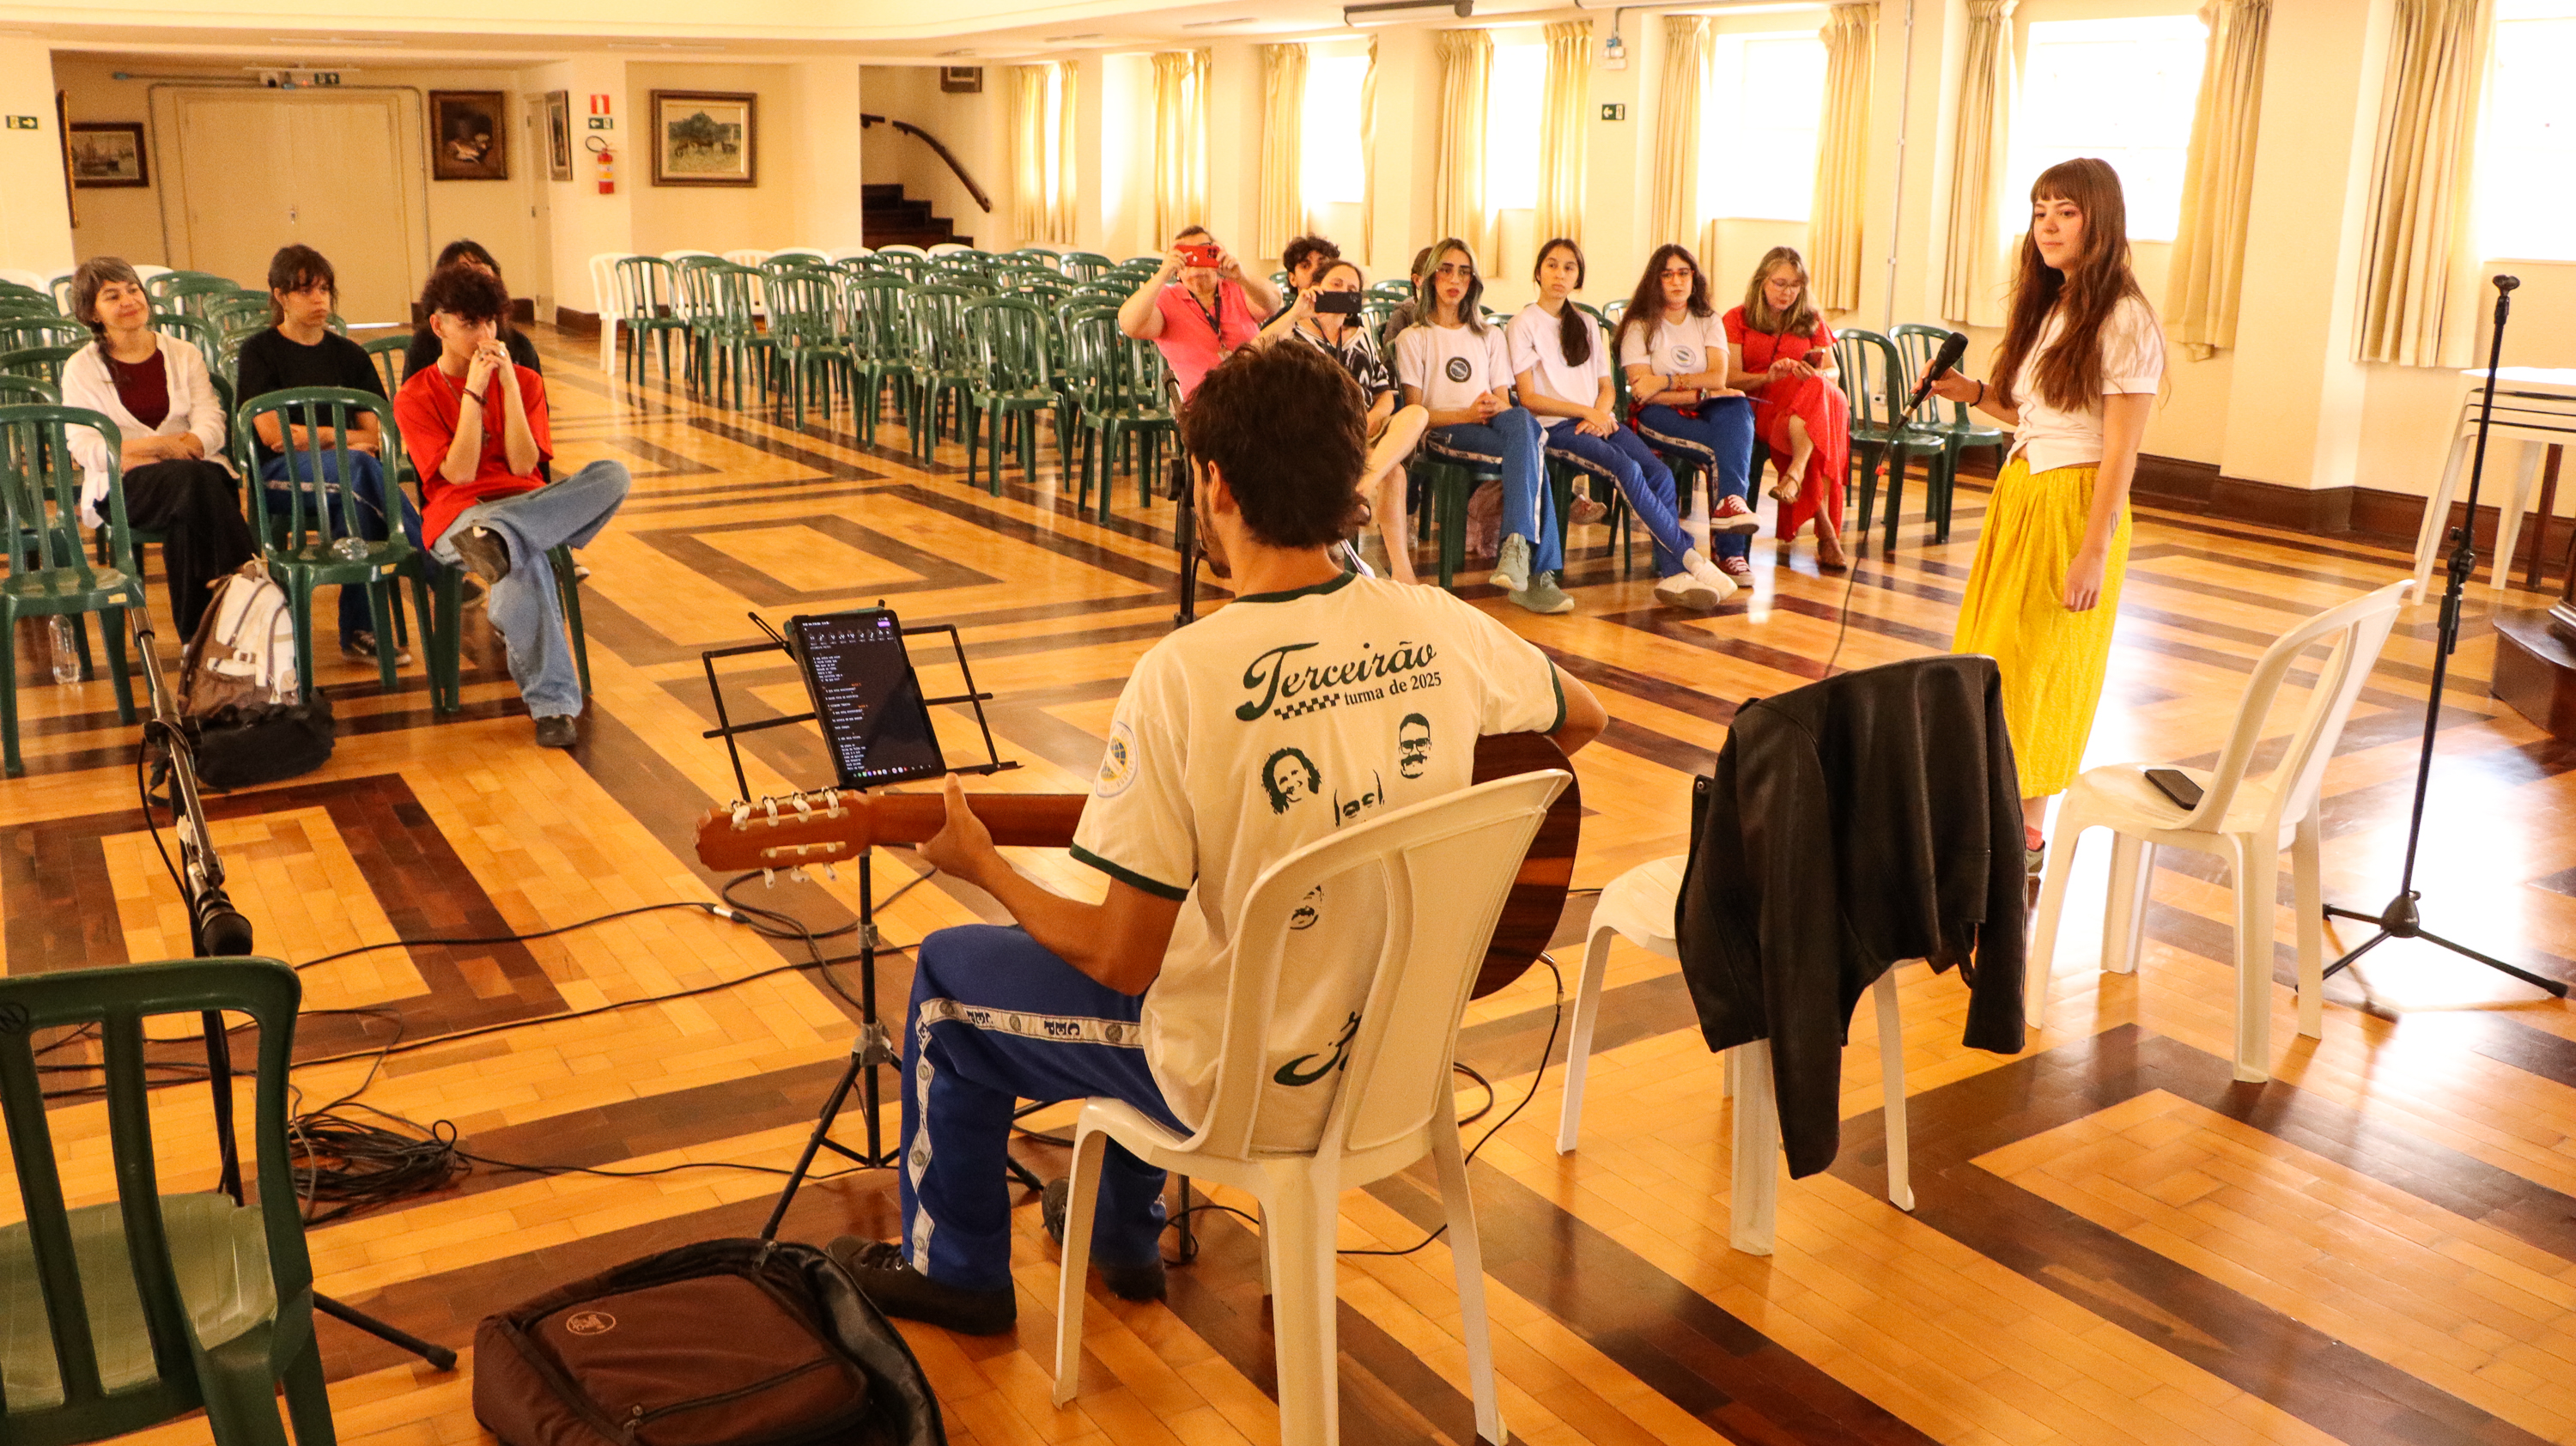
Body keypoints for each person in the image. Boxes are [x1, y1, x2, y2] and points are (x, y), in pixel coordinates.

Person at [826, 338, 1606, 1336]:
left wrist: (985, 869)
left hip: (1251, 1083)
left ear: (1216, 484)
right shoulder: (1440, 623)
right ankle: (1118, 1235)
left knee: (947, 983)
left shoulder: (1183, 678)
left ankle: (959, 1274)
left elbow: (1120, 956)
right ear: (1347, 480)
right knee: (1205, 929)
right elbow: (1581, 720)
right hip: (1396, 1058)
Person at [1926, 157, 2163, 879]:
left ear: (2101, 219)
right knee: (1993, 657)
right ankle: (1992, 811)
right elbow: (2036, 413)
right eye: (2040, 212)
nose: (2049, 226)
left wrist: (2093, 550)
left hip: (2073, 505)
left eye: (2066, 211)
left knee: (2041, 666)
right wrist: (1971, 391)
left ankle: (2026, 835)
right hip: (2022, 493)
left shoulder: (2124, 317)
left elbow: (2120, 450)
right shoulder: (2055, 304)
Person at [392, 264, 630, 750]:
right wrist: (475, 394)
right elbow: (457, 474)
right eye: (468, 324)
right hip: (460, 519)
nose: (483, 336)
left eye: (489, 323)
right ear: (438, 326)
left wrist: (510, 389)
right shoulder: (414, 396)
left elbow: (525, 465)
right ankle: (553, 707)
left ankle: (506, 539)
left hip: (521, 503)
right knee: (525, 566)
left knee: (613, 474)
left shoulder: (524, 380)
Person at [1507, 238, 1735, 611]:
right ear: (1538, 272)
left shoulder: (1585, 323)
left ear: (1579, 277)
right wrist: (1586, 413)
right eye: (1552, 265)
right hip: (1556, 427)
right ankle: (1692, 560)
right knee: (1625, 468)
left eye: (1569, 267)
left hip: (1598, 420)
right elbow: (1529, 398)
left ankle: (1674, 574)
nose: (1560, 274)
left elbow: (1607, 387)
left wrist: (1598, 413)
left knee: (1659, 473)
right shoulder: (1522, 324)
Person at [60, 257, 256, 640]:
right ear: (91, 312)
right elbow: (85, 448)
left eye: (133, 289)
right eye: (112, 296)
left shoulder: (184, 354)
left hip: (194, 471)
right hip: (126, 488)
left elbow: (213, 424)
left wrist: (175, 446)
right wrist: (164, 446)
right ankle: (246, 580)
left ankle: (194, 643)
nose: (129, 300)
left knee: (187, 510)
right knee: (196, 482)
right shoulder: (79, 369)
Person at [234, 243, 411, 663]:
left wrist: (312, 435)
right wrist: (343, 437)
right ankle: (431, 564)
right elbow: (272, 434)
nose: (319, 301)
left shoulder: (348, 354)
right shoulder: (260, 351)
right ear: (279, 296)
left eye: (325, 290)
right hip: (279, 474)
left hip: (345, 475)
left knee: (356, 487)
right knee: (360, 467)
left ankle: (361, 630)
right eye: (305, 291)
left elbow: (378, 430)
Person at [1395, 239, 1577, 615]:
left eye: (1464, 271)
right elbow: (1416, 413)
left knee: (1523, 423)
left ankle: (1517, 548)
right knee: (1534, 451)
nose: (1454, 279)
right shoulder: (1413, 338)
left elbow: (1504, 401)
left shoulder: (1490, 335)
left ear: (1473, 281)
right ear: (1429, 277)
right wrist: (1467, 413)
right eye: (1445, 269)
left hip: (1492, 424)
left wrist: (1495, 405)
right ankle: (1537, 571)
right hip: (1444, 430)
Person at [1255, 259, 1429, 583]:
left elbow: (1386, 395)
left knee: (1417, 413)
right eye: (1336, 285)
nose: (1344, 293)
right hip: (1315, 434)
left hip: (1363, 430)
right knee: (1395, 473)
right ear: (1316, 287)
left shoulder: (1361, 335)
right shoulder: (1293, 331)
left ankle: (1358, 493)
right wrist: (1297, 311)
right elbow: (1253, 350)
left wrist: (1372, 417)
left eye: (1352, 289)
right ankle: (1404, 572)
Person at [1616, 244, 1764, 586]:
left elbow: (1718, 378)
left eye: (1684, 273)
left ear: (1694, 278)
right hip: (1655, 414)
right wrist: (1696, 391)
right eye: (1667, 275)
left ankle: (1731, 509)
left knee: (1738, 406)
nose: (1677, 282)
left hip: (1707, 407)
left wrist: (1668, 382)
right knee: (1721, 449)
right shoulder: (1640, 326)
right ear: (1655, 281)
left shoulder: (1708, 320)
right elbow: (1642, 391)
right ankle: (1730, 553)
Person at [1723, 247, 1850, 569]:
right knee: (1808, 424)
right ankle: (1825, 530)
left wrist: (1817, 374)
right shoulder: (1737, 318)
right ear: (1762, 281)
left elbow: (1834, 373)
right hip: (1760, 406)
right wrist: (1768, 376)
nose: (1787, 292)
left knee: (1818, 395)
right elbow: (1729, 377)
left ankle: (1795, 473)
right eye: (1780, 283)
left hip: (1808, 405)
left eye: (1795, 285)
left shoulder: (1811, 320)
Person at [1116, 226, 1282, 399]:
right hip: (1201, 405)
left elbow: (1273, 304)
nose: (1195, 259)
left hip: (1253, 393)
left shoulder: (1237, 288)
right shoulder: (1166, 299)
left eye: (1204, 251)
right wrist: (1163, 274)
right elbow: (1129, 325)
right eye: (1185, 254)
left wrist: (1241, 276)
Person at [403, 240, 541, 381]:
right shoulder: (424, 346)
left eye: (489, 322)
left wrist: (510, 385)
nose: (474, 283)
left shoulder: (519, 345)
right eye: (470, 324)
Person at [1267, 234, 1343, 319]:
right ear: (1293, 279)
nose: (1315, 271)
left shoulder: (1345, 316)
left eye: (1322, 265)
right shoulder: (1280, 321)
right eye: (1305, 266)